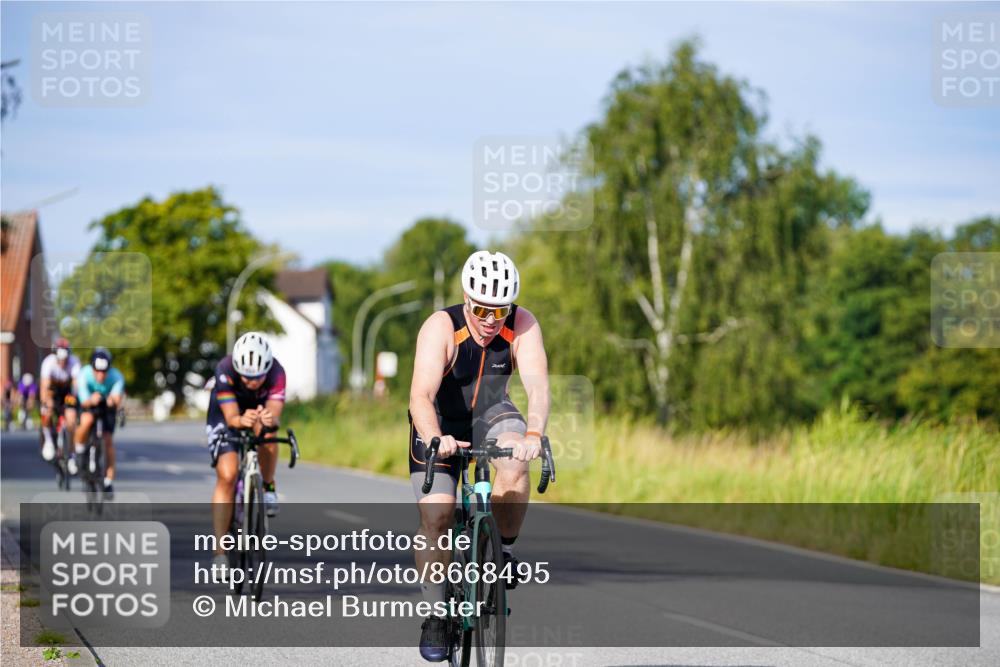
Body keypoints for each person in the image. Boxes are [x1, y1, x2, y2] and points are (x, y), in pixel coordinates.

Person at [408, 250, 550, 661]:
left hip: (491, 410)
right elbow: (420, 395)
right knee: (437, 515)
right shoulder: (441, 327)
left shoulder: (522, 324)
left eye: (500, 310)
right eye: (482, 309)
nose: (490, 321)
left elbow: (538, 387)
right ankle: (436, 613)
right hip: (439, 419)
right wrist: (436, 438)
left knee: (516, 458)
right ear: (466, 300)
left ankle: (501, 549)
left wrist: (535, 433)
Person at [205, 332, 286, 572]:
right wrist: (241, 420)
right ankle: (220, 553)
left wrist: (266, 419)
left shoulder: (277, 373)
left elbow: (274, 413)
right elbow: (231, 417)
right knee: (227, 475)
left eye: (258, 377)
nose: (252, 382)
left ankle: (268, 486)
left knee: (269, 432)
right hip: (226, 413)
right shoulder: (225, 368)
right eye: (247, 376)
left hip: (257, 410)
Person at [74, 348, 125, 498]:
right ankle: (79, 448)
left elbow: (116, 398)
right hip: (89, 404)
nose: (101, 375)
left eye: (104, 371)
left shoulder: (117, 377)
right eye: (97, 371)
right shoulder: (84, 374)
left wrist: (112, 400)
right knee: (87, 420)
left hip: (106, 407)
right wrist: (91, 399)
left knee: (108, 441)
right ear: (92, 368)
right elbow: (83, 401)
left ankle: (108, 481)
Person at [39, 338, 81, 466]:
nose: (63, 363)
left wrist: (72, 404)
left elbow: (76, 385)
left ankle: (72, 455)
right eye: (60, 359)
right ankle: (48, 441)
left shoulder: (74, 362)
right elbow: (44, 386)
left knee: (72, 420)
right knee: (46, 411)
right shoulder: (48, 363)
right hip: (52, 391)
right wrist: (46, 402)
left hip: (67, 392)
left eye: (65, 360)